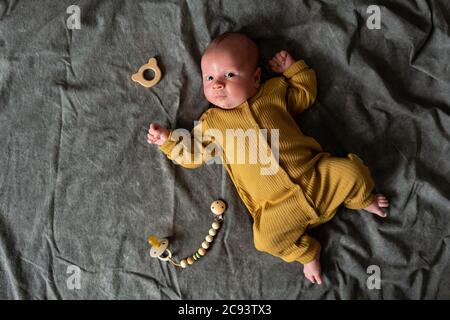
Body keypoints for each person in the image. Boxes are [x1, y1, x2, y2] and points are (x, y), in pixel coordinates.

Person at [146, 32, 389, 285]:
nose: (217, 84)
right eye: (209, 78)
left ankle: (360, 198)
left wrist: (293, 69)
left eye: (229, 75)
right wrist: (169, 140)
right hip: (276, 207)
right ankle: (307, 252)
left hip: (316, 176)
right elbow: (194, 154)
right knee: (264, 240)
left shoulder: (273, 93)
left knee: (352, 172)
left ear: (256, 79)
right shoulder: (213, 124)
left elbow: (304, 94)